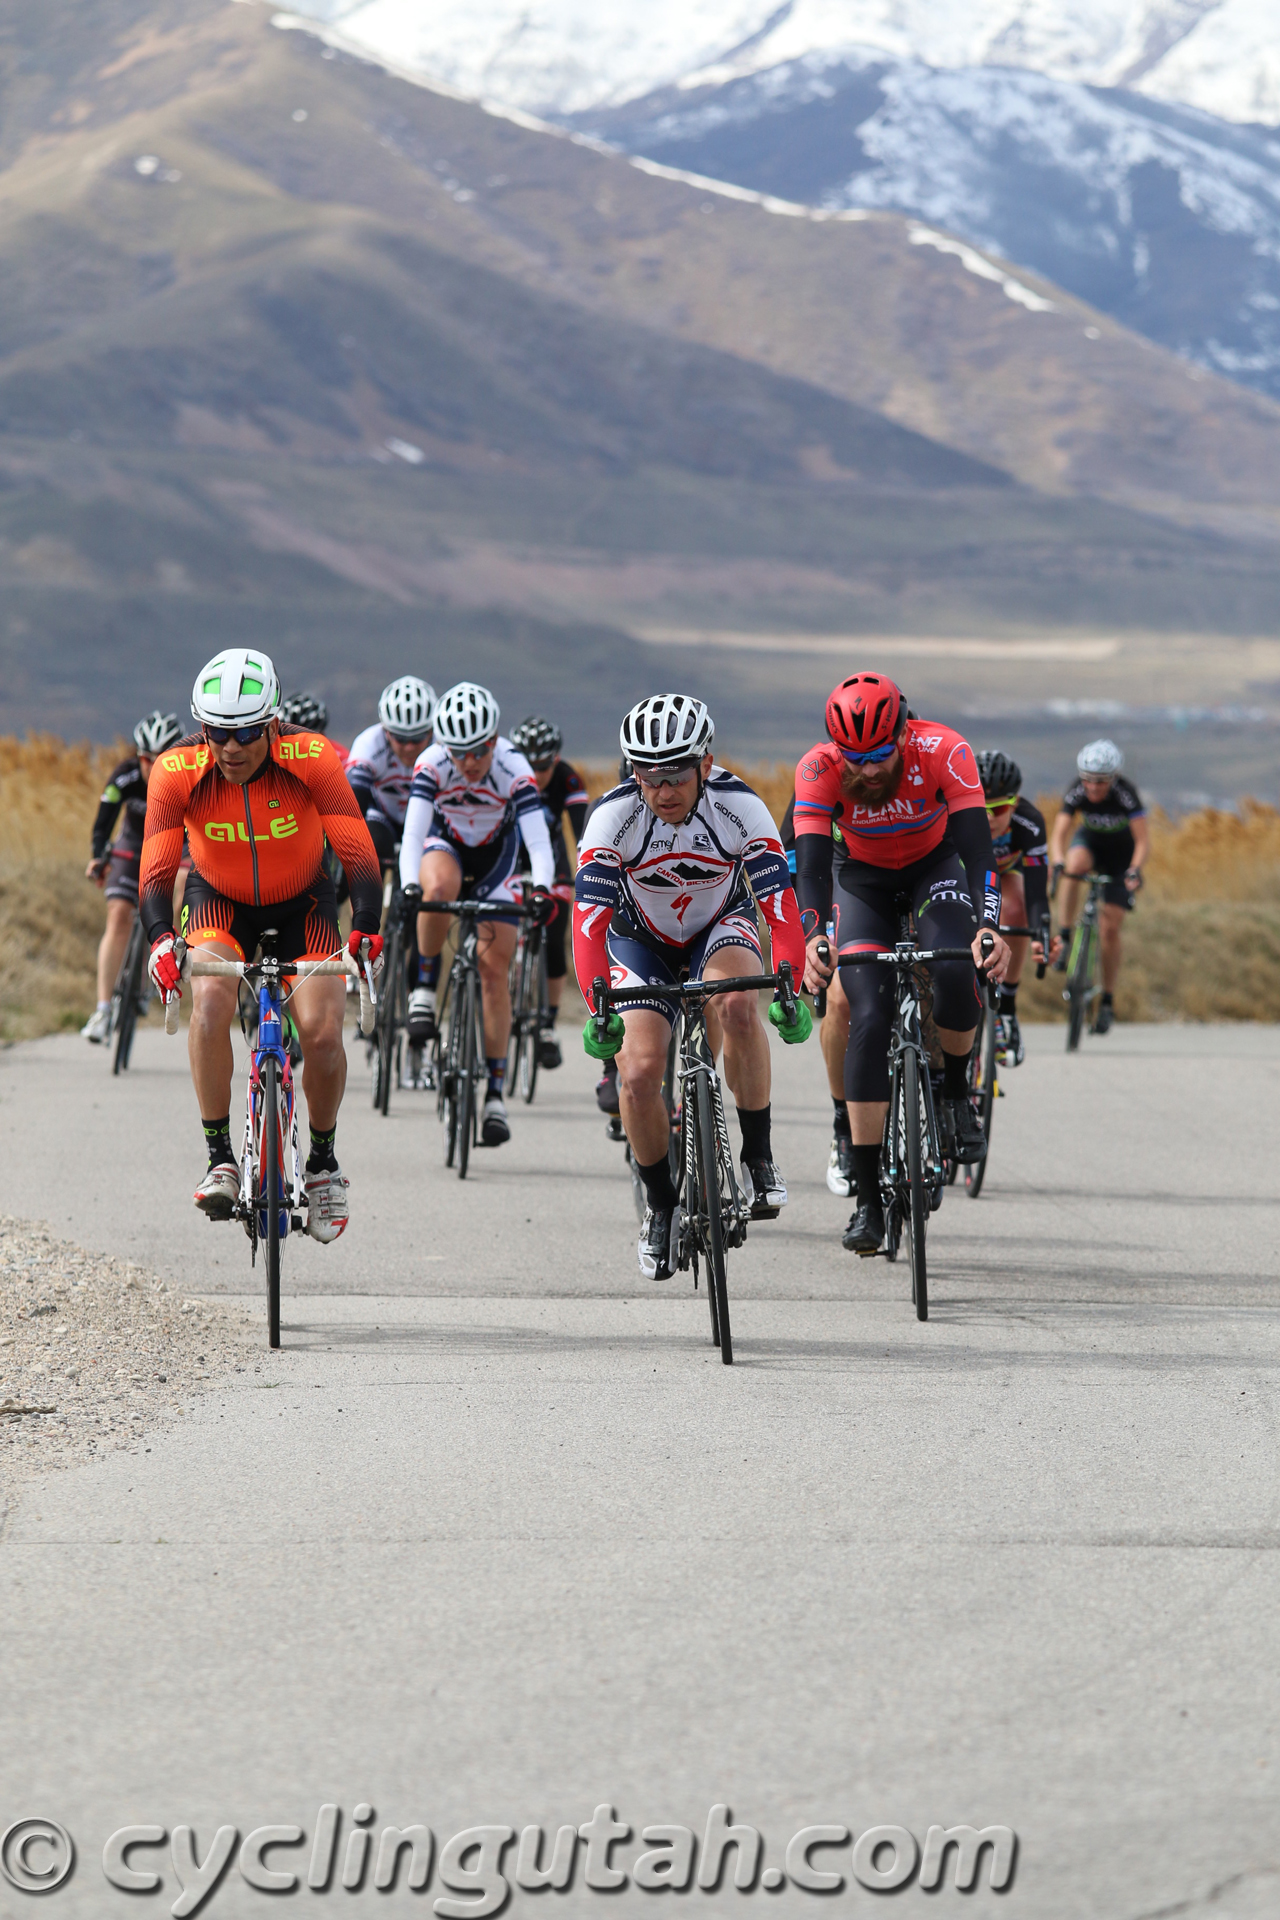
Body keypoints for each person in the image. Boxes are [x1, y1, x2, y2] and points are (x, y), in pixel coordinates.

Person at [139, 649, 384, 1237]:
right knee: (211, 1006)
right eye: (217, 732)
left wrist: (366, 929)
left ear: (273, 722)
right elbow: (154, 868)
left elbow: (357, 852)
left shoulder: (313, 758)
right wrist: (160, 941)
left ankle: (323, 1163)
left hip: (304, 903)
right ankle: (220, 1156)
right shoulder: (176, 771)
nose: (231, 747)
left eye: (247, 732)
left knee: (323, 1035)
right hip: (219, 902)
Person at [574, 693, 810, 1281]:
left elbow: (780, 911)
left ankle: (757, 1157)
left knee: (734, 1003)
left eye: (676, 775)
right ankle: (659, 1206)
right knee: (638, 1070)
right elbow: (587, 928)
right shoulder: (612, 818)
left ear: (705, 763)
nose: (662, 791)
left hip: (718, 927)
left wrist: (790, 987)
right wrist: (596, 1006)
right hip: (638, 940)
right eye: (647, 776)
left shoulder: (740, 807)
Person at [793, 672, 1009, 1255]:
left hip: (931, 869)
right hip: (857, 879)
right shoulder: (818, 768)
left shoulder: (944, 749)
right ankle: (866, 1200)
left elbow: (978, 851)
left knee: (956, 970)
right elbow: (810, 870)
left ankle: (957, 1096)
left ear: (904, 731)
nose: (866, 769)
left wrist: (988, 924)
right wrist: (813, 937)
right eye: (853, 757)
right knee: (865, 1012)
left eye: (880, 755)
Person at [398, 682, 555, 1147]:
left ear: (495, 740)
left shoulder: (514, 767)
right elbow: (412, 835)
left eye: (480, 750)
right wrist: (410, 885)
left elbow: (538, 844)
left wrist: (543, 889)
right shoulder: (431, 764)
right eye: (460, 751)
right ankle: (424, 988)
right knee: (437, 887)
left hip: (497, 860)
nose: (469, 762)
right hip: (446, 847)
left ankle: (495, 1093)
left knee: (493, 970)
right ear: (445, 746)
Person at [82, 711, 185, 1043]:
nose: (152, 766)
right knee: (118, 917)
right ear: (137, 755)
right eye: (145, 758)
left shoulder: (189, 778)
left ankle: (162, 957)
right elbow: (103, 822)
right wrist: (99, 857)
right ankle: (102, 1009)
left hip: (174, 850)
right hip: (133, 848)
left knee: (183, 887)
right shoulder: (125, 776)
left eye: (161, 759)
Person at [1048, 739, 1147, 1034]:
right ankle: (1065, 936)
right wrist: (1057, 861)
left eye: (1101, 782)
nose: (1093, 788)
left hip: (1120, 857)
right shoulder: (1076, 789)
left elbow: (1142, 840)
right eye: (1088, 781)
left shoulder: (1126, 794)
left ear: (1113, 778)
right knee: (1073, 867)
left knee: (1110, 928)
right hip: (1090, 845)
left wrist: (1135, 870)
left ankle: (1107, 1000)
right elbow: (1059, 833)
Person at [507, 715, 589, 1070]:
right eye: (529, 765)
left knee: (555, 939)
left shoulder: (568, 777)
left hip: (551, 861)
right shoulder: (506, 773)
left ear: (555, 760)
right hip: (510, 858)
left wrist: (588, 872)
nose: (536, 773)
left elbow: (583, 830)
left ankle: (549, 1023)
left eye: (543, 766)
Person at [975, 750, 1053, 1065]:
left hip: (1005, 875)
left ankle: (1006, 1004)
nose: (991, 818)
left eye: (1001, 807)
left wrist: (1041, 933)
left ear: (1016, 802)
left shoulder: (1029, 822)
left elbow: (1037, 893)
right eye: (982, 809)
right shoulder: (951, 816)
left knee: (1017, 905)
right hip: (963, 878)